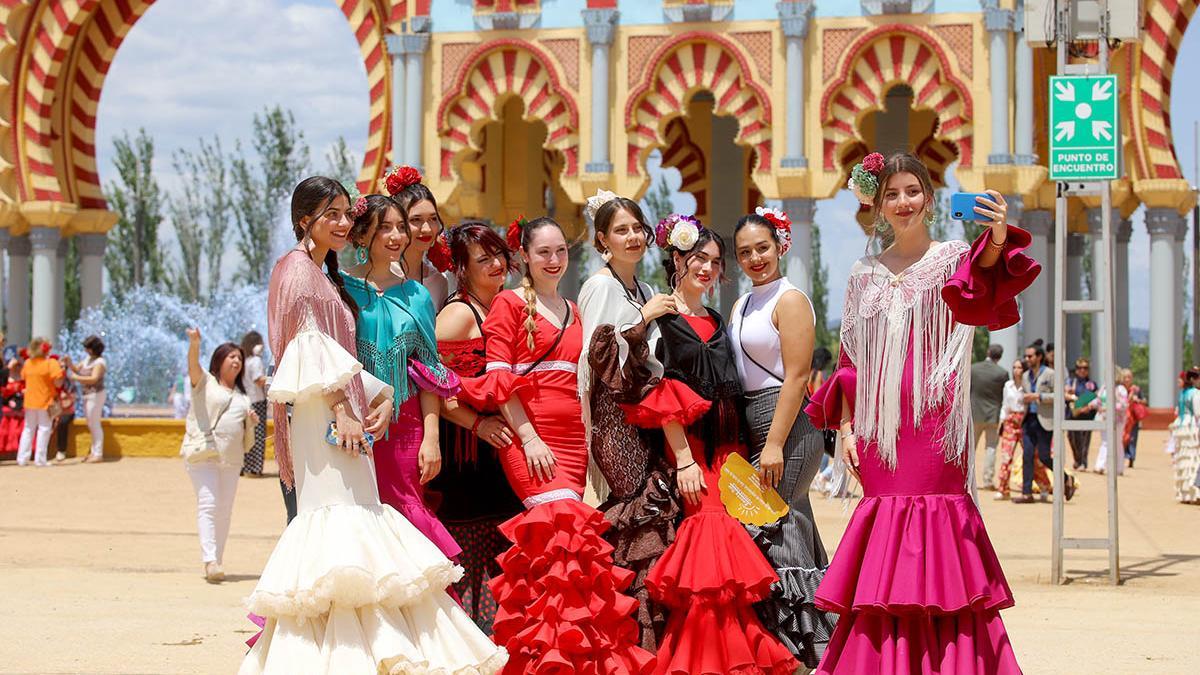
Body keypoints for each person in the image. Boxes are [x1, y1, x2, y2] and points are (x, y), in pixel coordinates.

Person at [241, 176, 506, 673]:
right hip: (336, 424)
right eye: (333, 215)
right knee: (344, 531)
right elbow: (307, 351)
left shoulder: (332, 275)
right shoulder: (306, 274)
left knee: (365, 535)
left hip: (374, 420)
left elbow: (414, 365)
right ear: (305, 221)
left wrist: (385, 401)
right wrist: (347, 409)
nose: (342, 223)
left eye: (346, 213)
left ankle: (372, 647)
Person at [805, 152, 1034, 673]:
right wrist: (844, 429)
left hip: (934, 425)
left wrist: (995, 238)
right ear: (879, 205)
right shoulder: (863, 273)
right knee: (886, 543)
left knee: (938, 536)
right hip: (879, 433)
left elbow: (984, 291)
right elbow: (850, 362)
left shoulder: (952, 257)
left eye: (912, 191)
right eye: (892, 194)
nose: (903, 202)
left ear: (929, 199)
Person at [456, 216, 654, 673]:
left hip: (573, 442)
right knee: (557, 542)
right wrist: (527, 437)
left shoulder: (574, 308)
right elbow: (498, 377)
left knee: (571, 551)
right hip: (533, 439)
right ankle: (548, 660)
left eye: (561, 251)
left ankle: (573, 654)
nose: (553, 260)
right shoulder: (509, 303)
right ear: (524, 255)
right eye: (543, 252)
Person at [618, 219, 798, 675]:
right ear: (677, 259)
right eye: (699, 257)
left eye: (716, 262)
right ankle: (719, 657)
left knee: (726, 559)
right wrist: (682, 460)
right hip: (693, 452)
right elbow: (657, 389)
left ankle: (726, 653)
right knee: (709, 544)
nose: (708, 268)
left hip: (729, 451)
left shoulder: (719, 319)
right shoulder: (660, 316)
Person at [729, 208, 837, 668]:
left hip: (788, 420)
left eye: (763, 248)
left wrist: (773, 443)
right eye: (745, 252)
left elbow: (796, 377)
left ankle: (800, 647)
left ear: (781, 246)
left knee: (775, 517)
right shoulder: (744, 302)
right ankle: (826, 635)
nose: (755, 257)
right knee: (793, 517)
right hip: (756, 418)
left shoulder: (790, 299)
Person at [578, 192, 683, 651]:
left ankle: (650, 640)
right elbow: (597, 356)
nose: (634, 236)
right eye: (621, 229)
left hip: (644, 419)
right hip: (614, 421)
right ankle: (627, 639)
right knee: (637, 513)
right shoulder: (601, 286)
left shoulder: (638, 287)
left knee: (655, 514)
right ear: (602, 239)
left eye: (638, 227)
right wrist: (644, 318)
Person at [341, 193, 461, 559]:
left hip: (406, 425)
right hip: (353, 422)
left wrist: (432, 438)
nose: (396, 237)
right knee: (354, 518)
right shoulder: (342, 290)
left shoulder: (419, 296)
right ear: (362, 236)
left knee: (407, 511)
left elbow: (428, 372)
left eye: (399, 228)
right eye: (385, 228)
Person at [431, 221, 523, 633]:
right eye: (482, 259)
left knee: (503, 547)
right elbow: (432, 388)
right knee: (470, 553)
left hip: (500, 452)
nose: (496, 264)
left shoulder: (505, 306)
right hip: (465, 455)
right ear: (462, 269)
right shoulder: (457, 315)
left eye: (498, 254)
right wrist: (477, 424)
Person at [179, 328, 255, 582]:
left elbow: (245, 432)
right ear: (219, 361)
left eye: (239, 358)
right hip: (204, 455)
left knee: (225, 510)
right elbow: (193, 366)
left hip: (232, 459)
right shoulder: (205, 383)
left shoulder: (243, 397)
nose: (236, 361)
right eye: (231, 356)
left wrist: (251, 421)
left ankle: (217, 560)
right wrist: (195, 344)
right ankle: (209, 560)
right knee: (209, 504)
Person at [385, 166, 452, 310]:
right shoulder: (380, 273)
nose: (427, 229)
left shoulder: (439, 281)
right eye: (416, 220)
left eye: (433, 218)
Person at [1020, 342, 1077, 504]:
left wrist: (1039, 397)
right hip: (1029, 419)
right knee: (1027, 455)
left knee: (1045, 456)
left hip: (1045, 420)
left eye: (1030, 356)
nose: (1027, 359)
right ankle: (1026, 493)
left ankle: (1067, 478)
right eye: (1026, 356)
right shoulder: (1025, 376)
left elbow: (1060, 395)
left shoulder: (1051, 374)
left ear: (1039, 357)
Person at [993, 359, 1050, 500]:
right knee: (1006, 457)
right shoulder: (1008, 385)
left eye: (1019, 367)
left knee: (1033, 457)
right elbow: (1005, 404)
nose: (1016, 370)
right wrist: (1002, 421)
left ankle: (1044, 486)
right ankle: (1003, 488)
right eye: (1014, 367)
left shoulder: (1029, 386)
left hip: (1025, 422)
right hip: (1010, 423)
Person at [16, 338, 64, 467]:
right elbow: (58, 382)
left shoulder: (28, 363)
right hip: (45, 400)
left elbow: (23, 377)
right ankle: (40, 459)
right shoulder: (51, 363)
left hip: (30, 401)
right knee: (44, 429)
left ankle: (22, 458)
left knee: (28, 429)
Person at [64, 335, 107, 464]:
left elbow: (94, 378)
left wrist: (76, 378)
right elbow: (77, 369)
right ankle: (94, 451)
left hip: (96, 394)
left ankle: (98, 453)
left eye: (87, 348)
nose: (85, 350)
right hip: (87, 394)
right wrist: (69, 363)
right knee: (90, 423)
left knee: (94, 423)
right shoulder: (88, 359)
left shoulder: (100, 362)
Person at [971, 344, 1008, 488]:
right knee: (991, 447)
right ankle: (987, 480)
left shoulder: (974, 369)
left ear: (988, 352)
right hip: (993, 415)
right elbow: (1005, 395)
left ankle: (966, 479)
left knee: (970, 448)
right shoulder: (1002, 373)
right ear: (1000, 356)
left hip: (974, 413)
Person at [239, 331, 268, 477]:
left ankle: (244, 465)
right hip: (257, 401)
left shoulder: (243, 360)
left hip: (245, 401)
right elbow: (258, 380)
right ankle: (255, 468)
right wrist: (272, 379)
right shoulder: (255, 361)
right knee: (258, 435)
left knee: (245, 434)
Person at [1170, 368, 1200, 504]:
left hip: (1182, 426)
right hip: (1191, 427)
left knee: (1184, 457)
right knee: (1192, 457)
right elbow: (1198, 413)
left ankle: (1185, 493)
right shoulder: (1195, 393)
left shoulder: (1183, 394)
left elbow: (1177, 411)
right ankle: (1192, 493)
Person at [1065, 357, 1100, 470]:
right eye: (1080, 368)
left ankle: (1083, 462)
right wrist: (1070, 394)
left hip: (1086, 415)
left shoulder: (1091, 384)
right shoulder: (1071, 382)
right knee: (1072, 438)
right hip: (1072, 415)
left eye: (1085, 368)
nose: (1082, 370)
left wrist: (1087, 406)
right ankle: (1077, 459)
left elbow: (1094, 397)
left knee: (1084, 439)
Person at [50, 378, 77, 463]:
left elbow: (69, 402)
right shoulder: (49, 381)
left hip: (66, 410)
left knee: (62, 422)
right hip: (50, 408)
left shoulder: (69, 383)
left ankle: (61, 450)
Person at [1124, 372, 1146, 468]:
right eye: (1125, 377)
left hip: (1133, 418)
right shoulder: (1120, 389)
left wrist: (1138, 400)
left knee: (1132, 438)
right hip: (1123, 418)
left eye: (1129, 377)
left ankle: (1131, 458)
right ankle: (1123, 456)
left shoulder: (1136, 389)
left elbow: (1144, 400)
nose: (1127, 379)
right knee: (1124, 438)